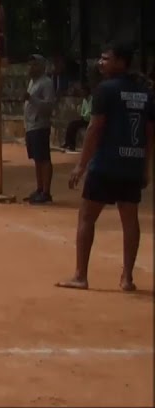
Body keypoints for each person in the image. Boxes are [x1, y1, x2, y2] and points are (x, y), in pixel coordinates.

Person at [56, 43, 154, 292]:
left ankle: (80, 275)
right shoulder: (145, 92)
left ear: (121, 62)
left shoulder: (106, 90)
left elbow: (95, 128)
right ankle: (127, 278)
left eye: (105, 58)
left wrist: (81, 165)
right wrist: (145, 166)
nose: (100, 62)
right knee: (130, 221)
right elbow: (150, 133)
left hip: (106, 164)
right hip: (131, 164)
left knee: (87, 217)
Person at [23, 54, 58, 204]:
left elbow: (49, 106)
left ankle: (46, 191)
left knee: (44, 158)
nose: (31, 68)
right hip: (30, 125)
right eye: (30, 65)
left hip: (40, 125)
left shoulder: (46, 83)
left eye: (34, 65)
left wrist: (31, 99)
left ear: (42, 66)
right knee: (37, 159)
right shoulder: (32, 82)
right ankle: (39, 188)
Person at [61, 82, 91, 153]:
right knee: (71, 124)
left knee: (74, 125)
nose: (82, 93)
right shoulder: (84, 100)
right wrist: (81, 113)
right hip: (84, 119)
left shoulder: (91, 99)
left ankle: (70, 144)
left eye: (83, 91)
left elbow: (90, 112)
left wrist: (84, 114)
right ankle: (70, 144)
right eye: (81, 91)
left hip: (90, 120)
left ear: (87, 91)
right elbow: (82, 112)